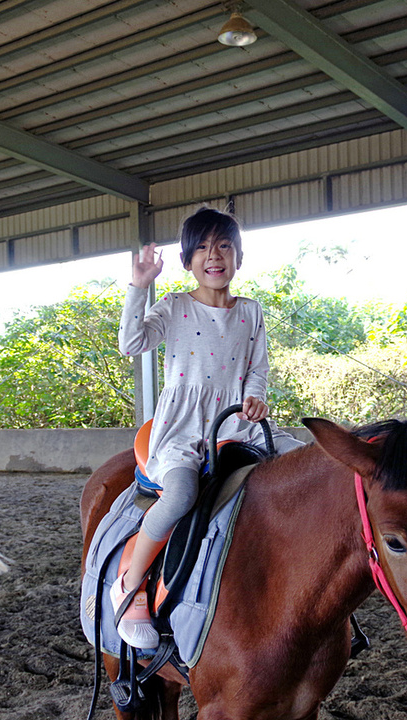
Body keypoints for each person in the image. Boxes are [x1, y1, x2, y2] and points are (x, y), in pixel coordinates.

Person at [112, 207, 302, 649]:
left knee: (306, 461)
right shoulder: (176, 306)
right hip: (184, 427)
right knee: (180, 494)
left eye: (223, 247)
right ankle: (132, 582)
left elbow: (258, 369)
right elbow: (131, 343)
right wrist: (139, 286)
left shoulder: (251, 312)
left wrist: (257, 397)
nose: (213, 256)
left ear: (238, 257)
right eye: (202, 247)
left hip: (237, 421)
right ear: (187, 260)